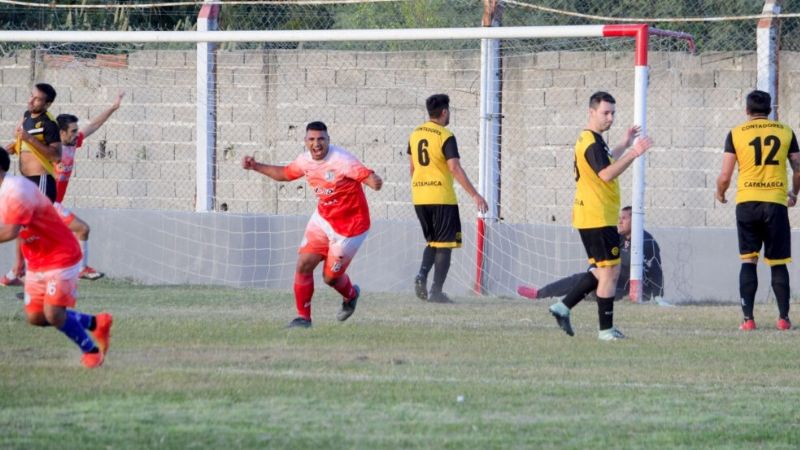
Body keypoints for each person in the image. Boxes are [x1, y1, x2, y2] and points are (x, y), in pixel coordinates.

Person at [242, 121, 383, 328]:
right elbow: (285, 174)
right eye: (312, 139)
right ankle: (303, 318)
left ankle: (351, 295)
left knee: (330, 278)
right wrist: (255, 166)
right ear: (306, 141)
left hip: (350, 229)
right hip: (323, 220)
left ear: (328, 140)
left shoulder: (342, 160)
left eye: (321, 139)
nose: (316, 144)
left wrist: (375, 181)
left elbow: (368, 177)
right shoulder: (305, 161)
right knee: (303, 264)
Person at [548, 91, 652, 341]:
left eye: (613, 113)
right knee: (610, 272)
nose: (610, 118)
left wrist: (625, 144)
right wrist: (634, 153)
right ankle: (605, 331)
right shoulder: (591, 142)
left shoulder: (594, 140)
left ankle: (563, 307)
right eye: (605, 113)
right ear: (591, 112)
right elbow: (606, 173)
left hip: (596, 215)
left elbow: (606, 160)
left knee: (603, 270)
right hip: (596, 216)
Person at [0, 148, 112, 368]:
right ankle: (96, 322)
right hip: (37, 260)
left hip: (60, 254)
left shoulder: (14, 190)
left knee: (53, 314)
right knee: (36, 318)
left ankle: (91, 352)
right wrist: (20, 263)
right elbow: (21, 230)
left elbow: (10, 231)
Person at [715, 89, 800, 331]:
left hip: (747, 203)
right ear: (770, 109)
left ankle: (748, 320)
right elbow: (798, 169)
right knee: (778, 262)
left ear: (747, 110)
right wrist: (793, 194)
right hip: (775, 203)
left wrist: (720, 194)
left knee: (748, 260)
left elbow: (724, 175)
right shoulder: (785, 131)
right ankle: (783, 319)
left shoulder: (736, 133)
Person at [408, 93, 488, 303]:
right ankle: (436, 291)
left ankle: (421, 275)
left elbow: (412, 167)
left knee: (432, 242)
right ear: (444, 112)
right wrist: (475, 194)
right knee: (446, 244)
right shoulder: (445, 135)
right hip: (441, 197)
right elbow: (454, 167)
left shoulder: (415, 134)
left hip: (420, 197)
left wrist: (420, 187)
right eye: (449, 110)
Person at [518, 206, 663, 302]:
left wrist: (658, 298)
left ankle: (591, 295)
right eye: (619, 217)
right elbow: (599, 260)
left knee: (600, 292)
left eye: (624, 218)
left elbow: (656, 271)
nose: (619, 221)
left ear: (635, 220)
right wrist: (593, 272)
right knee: (580, 279)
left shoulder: (647, 242)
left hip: (630, 292)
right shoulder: (616, 238)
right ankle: (539, 293)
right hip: (611, 282)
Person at [53, 96, 124, 280]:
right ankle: (80, 269)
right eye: (73, 131)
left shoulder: (73, 143)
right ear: (61, 132)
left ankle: (27, 279)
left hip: (54, 204)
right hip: (47, 203)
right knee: (81, 230)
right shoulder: (51, 149)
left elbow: (93, 125)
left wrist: (113, 108)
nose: (77, 134)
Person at [0, 83, 61, 286]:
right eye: (31, 96)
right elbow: (22, 145)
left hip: (41, 180)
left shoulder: (49, 123)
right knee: (23, 225)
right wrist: (10, 149)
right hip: (26, 181)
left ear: (47, 103)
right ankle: (19, 270)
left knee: (33, 228)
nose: (31, 100)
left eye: (36, 98)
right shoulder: (26, 116)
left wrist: (29, 139)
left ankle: (32, 272)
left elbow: (56, 155)